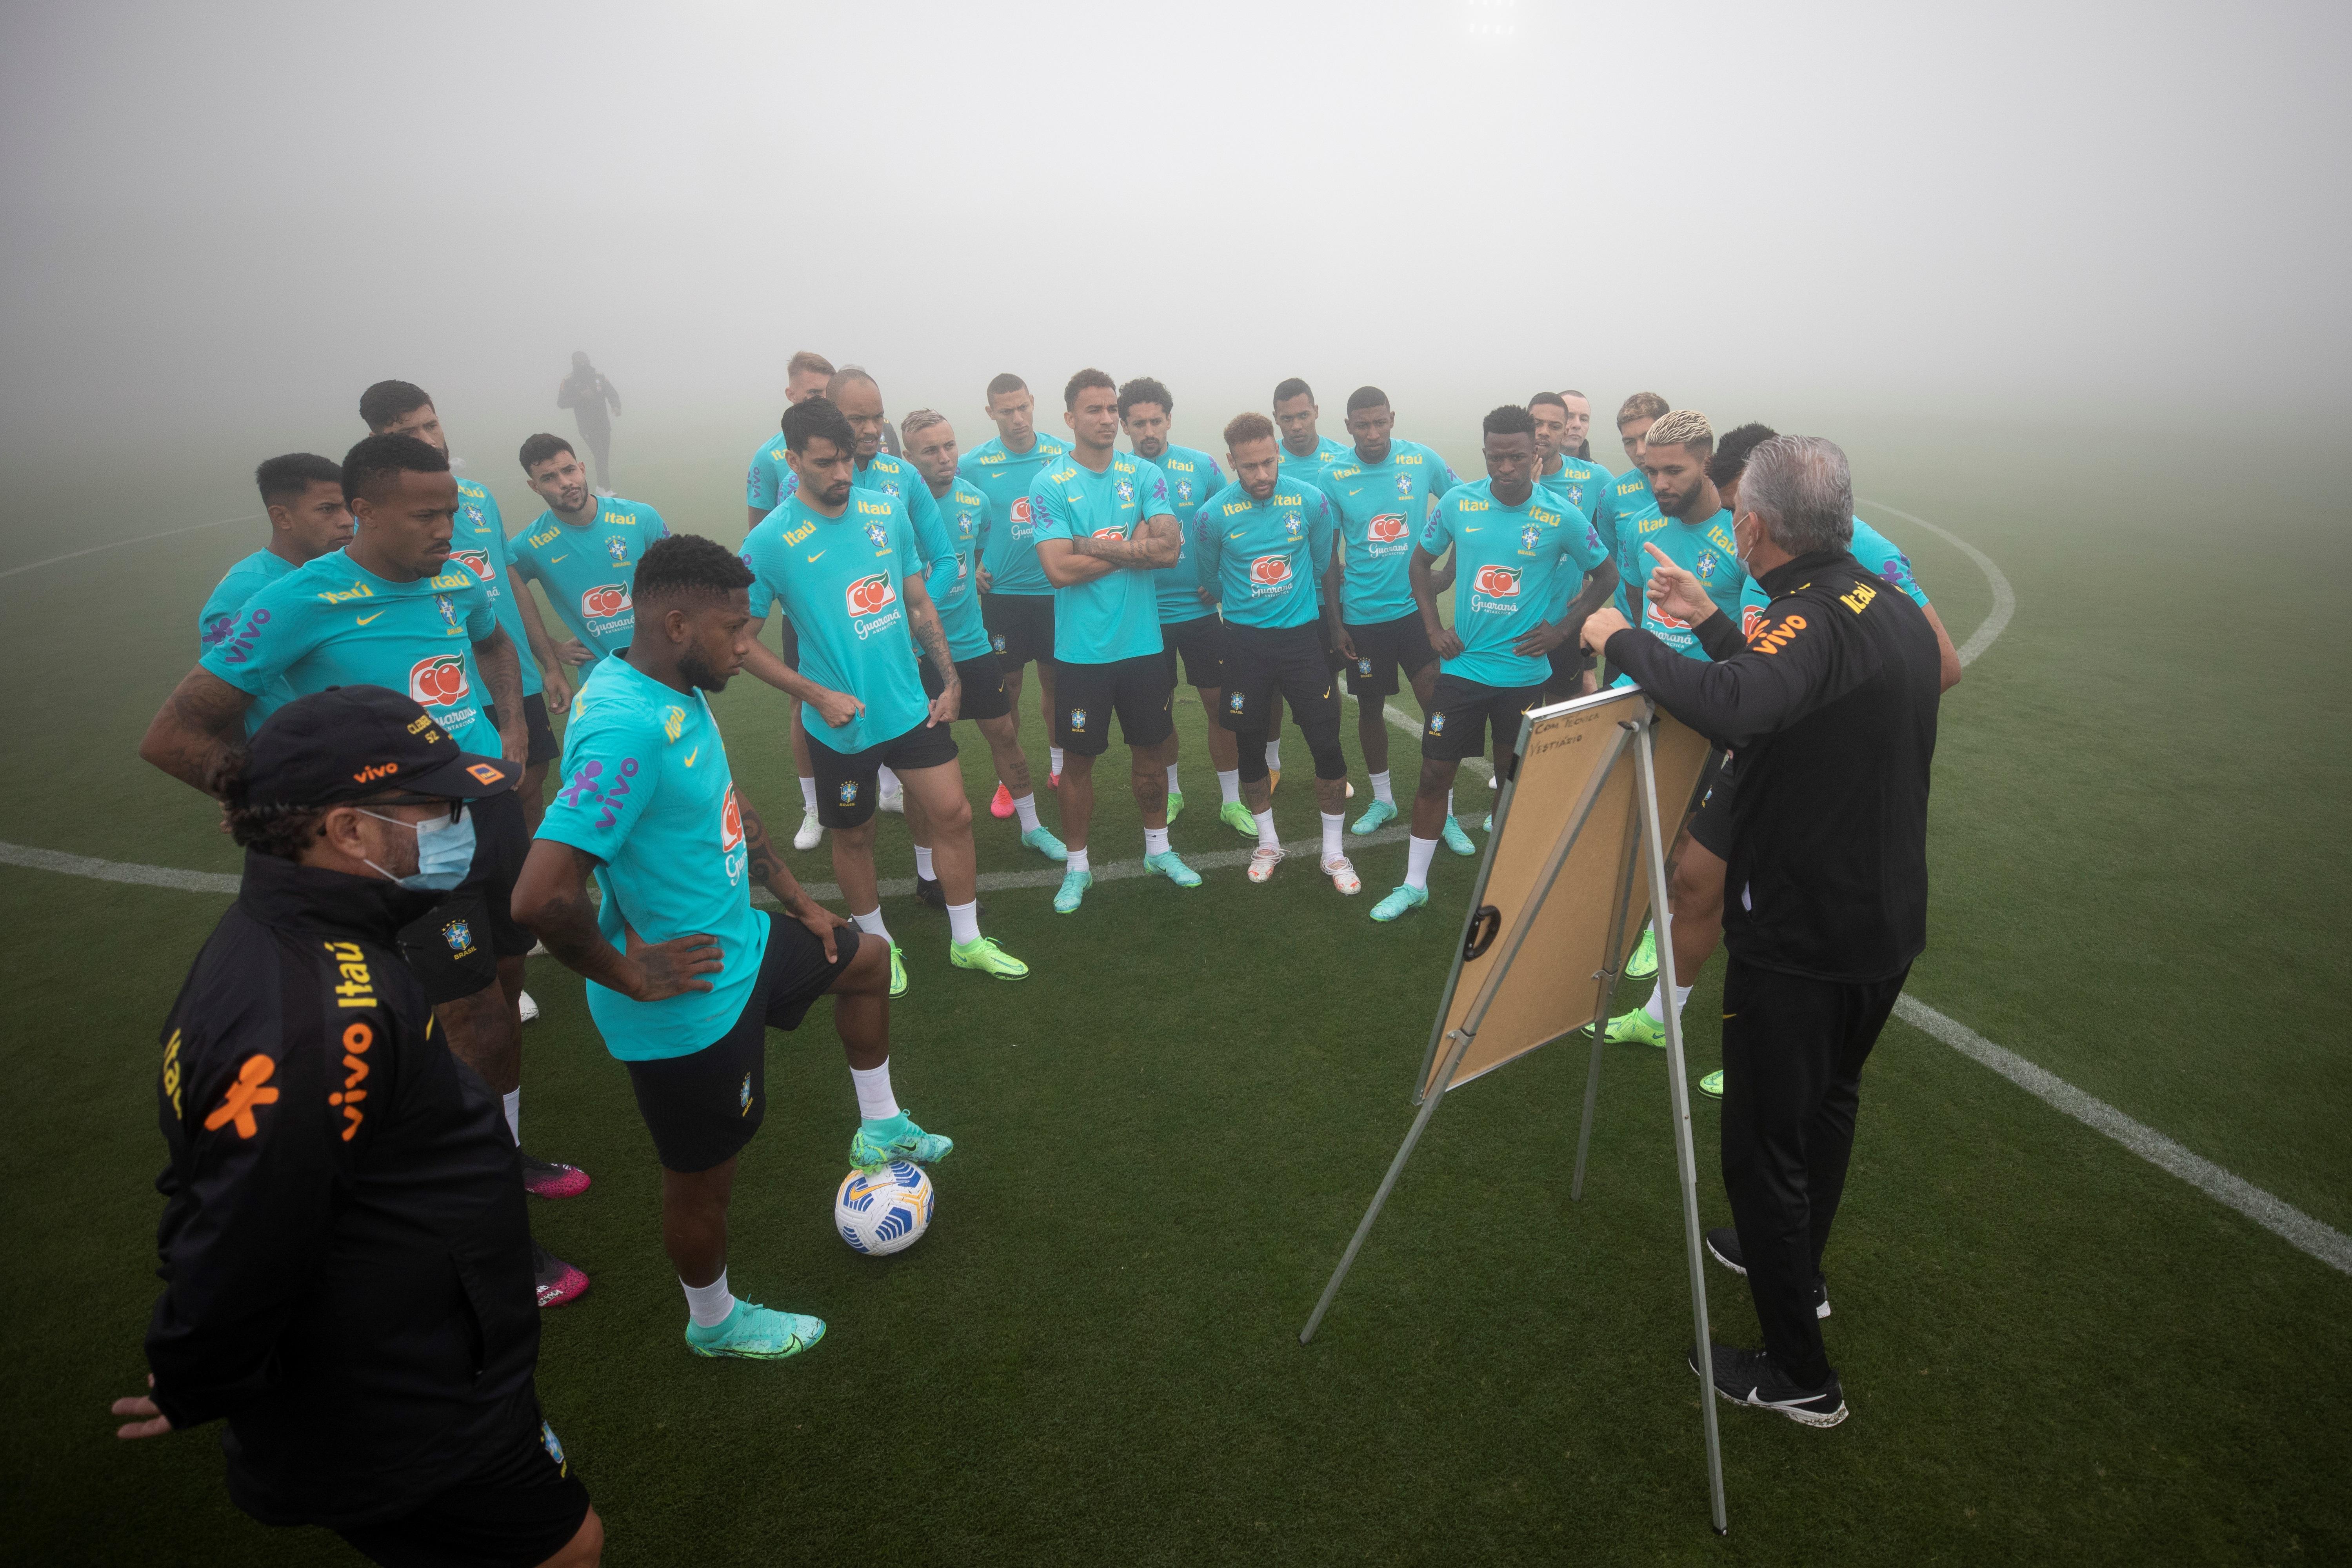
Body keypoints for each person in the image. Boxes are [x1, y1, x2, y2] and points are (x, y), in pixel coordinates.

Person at [116, 685, 601, 1568]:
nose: (464, 820)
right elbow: (243, 1222)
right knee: (566, 1550)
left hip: (422, 1357)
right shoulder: (315, 1015)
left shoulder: (320, 937)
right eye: (438, 805)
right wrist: (198, 1364)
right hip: (395, 1401)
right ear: (348, 831)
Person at [140, 432, 592, 1303]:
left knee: (499, 996)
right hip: (399, 843)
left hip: (483, 809)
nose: (447, 527)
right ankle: (493, 1243)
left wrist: (510, 730)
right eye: (427, 513)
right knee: (470, 1025)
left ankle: (501, 1153)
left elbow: (494, 646)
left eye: (454, 510)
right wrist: (282, 814)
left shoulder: (455, 576)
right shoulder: (298, 600)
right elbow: (174, 733)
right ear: (365, 510)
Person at [1579, 434, 1943, 1429]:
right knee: (1825, 1108)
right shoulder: (1886, 604)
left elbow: (1736, 707)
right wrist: (1705, 625)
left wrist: (1618, 634)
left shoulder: (1808, 617)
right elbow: (1784, 707)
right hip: (1881, 923)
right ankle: (1799, 1271)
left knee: (1760, 1150)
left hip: (1800, 933)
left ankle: (1798, 1375)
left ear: (1749, 525)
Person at [514, 534, 950, 1363]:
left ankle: (881, 1127)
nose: (747, 648)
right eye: (736, 632)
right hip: (687, 1004)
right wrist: (629, 975)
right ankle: (712, 1322)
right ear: (677, 622)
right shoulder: (621, 726)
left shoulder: (677, 684)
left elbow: (731, 809)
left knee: (861, 962)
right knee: (703, 1179)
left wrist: (798, 901)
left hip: (744, 941)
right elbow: (541, 896)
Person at [1600, 423, 1963, 1099]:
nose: (1738, 529)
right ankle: (1663, 1017)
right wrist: (1711, 620)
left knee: (1783, 928)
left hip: (1803, 768)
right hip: (1757, 746)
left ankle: (1767, 1054)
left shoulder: (1857, 558)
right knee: (1696, 878)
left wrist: (1816, 724)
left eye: (1740, 510)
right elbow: (1763, 672)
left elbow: (1936, 662)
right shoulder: (1772, 565)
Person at [740, 397, 1029, 995]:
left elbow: (919, 600)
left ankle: (967, 940)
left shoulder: (885, 510)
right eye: (824, 463)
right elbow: (741, 643)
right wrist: (815, 694)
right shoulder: (769, 541)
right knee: (855, 834)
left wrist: (948, 680)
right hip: (839, 724)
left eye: (847, 459)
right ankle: (878, 945)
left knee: (954, 813)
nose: (842, 473)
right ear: (792, 460)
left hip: (908, 704)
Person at [1368, 405, 1616, 923]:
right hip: (1462, 672)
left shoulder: (1560, 517)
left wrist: (1562, 630)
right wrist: (1432, 628)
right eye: (1495, 456)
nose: (1505, 467)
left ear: (1537, 454)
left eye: (1517, 457)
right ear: (1484, 453)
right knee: (1435, 774)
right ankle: (1414, 884)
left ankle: (1507, 880)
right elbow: (1419, 561)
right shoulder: (1459, 504)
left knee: (1511, 777)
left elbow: (1606, 575)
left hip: (1523, 676)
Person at [360, 381, 565, 829]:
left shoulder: (477, 497)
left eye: (431, 424)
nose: (429, 440)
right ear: (380, 440)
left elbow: (509, 578)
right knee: (456, 814)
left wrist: (547, 663)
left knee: (530, 788)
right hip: (442, 689)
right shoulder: (372, 518)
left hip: (512, 676)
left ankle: (524, 897)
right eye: (411, 432)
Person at [1031, 368, 1196, 914]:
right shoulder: (1050, 483)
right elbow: (1056, 570)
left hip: (1143, 647)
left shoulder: (1144, 473)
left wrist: (1092, 545)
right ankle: (1077, 865)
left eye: (1110, 410)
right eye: (1093, 410)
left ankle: (1158, 849)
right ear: (1070, 418)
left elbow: (1169, 550)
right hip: (1081, 653)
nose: (1105, 419)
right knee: (1077, 765)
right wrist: (1132, 545)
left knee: (1150, 755)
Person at [900, 407, 1069, 890]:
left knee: (1003, 732)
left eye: (950, 445)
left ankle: (1032, 827)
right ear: (909, 458)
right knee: (921, 759)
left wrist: (973, 572)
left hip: (972, 644)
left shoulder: (975, 501)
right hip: (915, 653)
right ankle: (925, 862)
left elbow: (972, 558)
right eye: (931, 450)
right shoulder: (894, 512)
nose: (945, 457)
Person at [1194, 412, 1359, 894]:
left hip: (1302, 643)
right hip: (1244, 646)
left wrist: (1331, 626)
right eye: (1249, 467)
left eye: (1268, 462)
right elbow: (1211, 581)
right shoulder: (1212, 516)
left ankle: (1334, 853)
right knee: (1249, 746)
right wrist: (1249, 605)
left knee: (1326, 743)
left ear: (1278, 453)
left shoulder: (1310, 502)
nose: (1261, 475)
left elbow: (1322, 561)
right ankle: (1267, 842)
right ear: (1231, 463)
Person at [1312, 387, 1471, 852]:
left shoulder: (1420, 460)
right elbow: (1327, 555)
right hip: (1362, 617)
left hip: (1415, 614)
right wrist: (1337, 624)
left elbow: (1468, 505)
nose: (1373, 433)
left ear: (1392, 418)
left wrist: (1449, 573)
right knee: (1370, 708)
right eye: (1362, 425)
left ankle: (1449, 811)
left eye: (1380, 422)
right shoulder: (1334, 475)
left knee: (1435, 707)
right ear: (1347, 428)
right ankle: (1382, 799)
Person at [1117, 375, 1249, 836]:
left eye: (1156, 421)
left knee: (1220, 706)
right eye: (1139, 423)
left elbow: (1230, 522)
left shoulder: (1201, 466)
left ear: (1169, 420)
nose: (1149, 431)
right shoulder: (1116, 475)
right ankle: (1172, 792)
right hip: (1144, 618)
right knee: (1160, 712)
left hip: (1199, 614)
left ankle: (1231, 801)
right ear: (1125, 427)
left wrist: (1220, 582)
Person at [960, 372, 1072, 817]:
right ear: (991, 413)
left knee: (1056, 681)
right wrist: (971, 569)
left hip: (1054, 590)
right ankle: (1010, 780)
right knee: (1006, 688)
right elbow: (957, 519)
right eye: (1006, 411)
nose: (1017, 418)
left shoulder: (1060, 454)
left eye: (1023, 407)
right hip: (1003, 596)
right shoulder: (973, 465)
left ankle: (1059, 766)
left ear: (1032, 403)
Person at [744, 349, 835, 851]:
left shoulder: (853, 448)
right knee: (805, 700)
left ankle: (889, 786)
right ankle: (814, 808)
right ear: (791, 394)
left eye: (828, 392)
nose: (822, 400)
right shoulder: (768, 457)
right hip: (804, 604)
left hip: (857, 597)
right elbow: (757, 535)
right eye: (813, 393)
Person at [198, 454, 353, 734]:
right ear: (282, 517)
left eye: (348, 507)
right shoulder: (244, 591)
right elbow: (218, 708)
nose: (346, 521)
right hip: (297, 761)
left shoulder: (342, 571)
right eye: (328, 509)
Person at [505, 434, 669, 672]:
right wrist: (552, 647)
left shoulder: (641, 517)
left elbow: (683, 583)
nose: (565, 483)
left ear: (582, 468)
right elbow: (500, 603)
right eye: (549, 478)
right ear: (535, 487)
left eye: (569, 470)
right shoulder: (528, 546)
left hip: (667, 668)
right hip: (601, 680)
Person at [1263, 377, 1353, 783]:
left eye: (1303, 415)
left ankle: (1329, 765)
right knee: (1272, 687)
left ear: (1316, 411)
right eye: (1287, 419)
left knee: (1325, 683)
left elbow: (1360, 517)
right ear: (1276, 420)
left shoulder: (1342, 459)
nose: (1296, 425)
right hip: (1279, 594)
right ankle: (1271, 763)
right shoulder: (1266, 461)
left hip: (1327, 597)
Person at [1530, 392, 1618, 701]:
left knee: (1561, 716)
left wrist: (1597, 576)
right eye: (1537, 424)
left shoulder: (1593, 477)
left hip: (1564, 619)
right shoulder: (1509, 477)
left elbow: (1626, 521)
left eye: (1554, 424)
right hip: (1516, 619)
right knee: (1515, 726)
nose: (1546, 431)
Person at [555, 352, 622, 494]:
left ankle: (601, 487)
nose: (583, 363)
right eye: (579, 361)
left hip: (603, 423)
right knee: (599, 455)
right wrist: (581, 397)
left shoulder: (599, 376)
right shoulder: (569, 380)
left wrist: (616, 406)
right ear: (573, 363)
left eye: (585, 360)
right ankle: (607, 489)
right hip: (586, 426)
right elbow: (561, 403)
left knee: (603, 456)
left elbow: (611, 392)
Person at [1555, 388, 1600, 464]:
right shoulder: (1529, 467)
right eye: (1569, 417)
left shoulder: (1596, 474)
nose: (1577, 425)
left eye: (1583, 419)